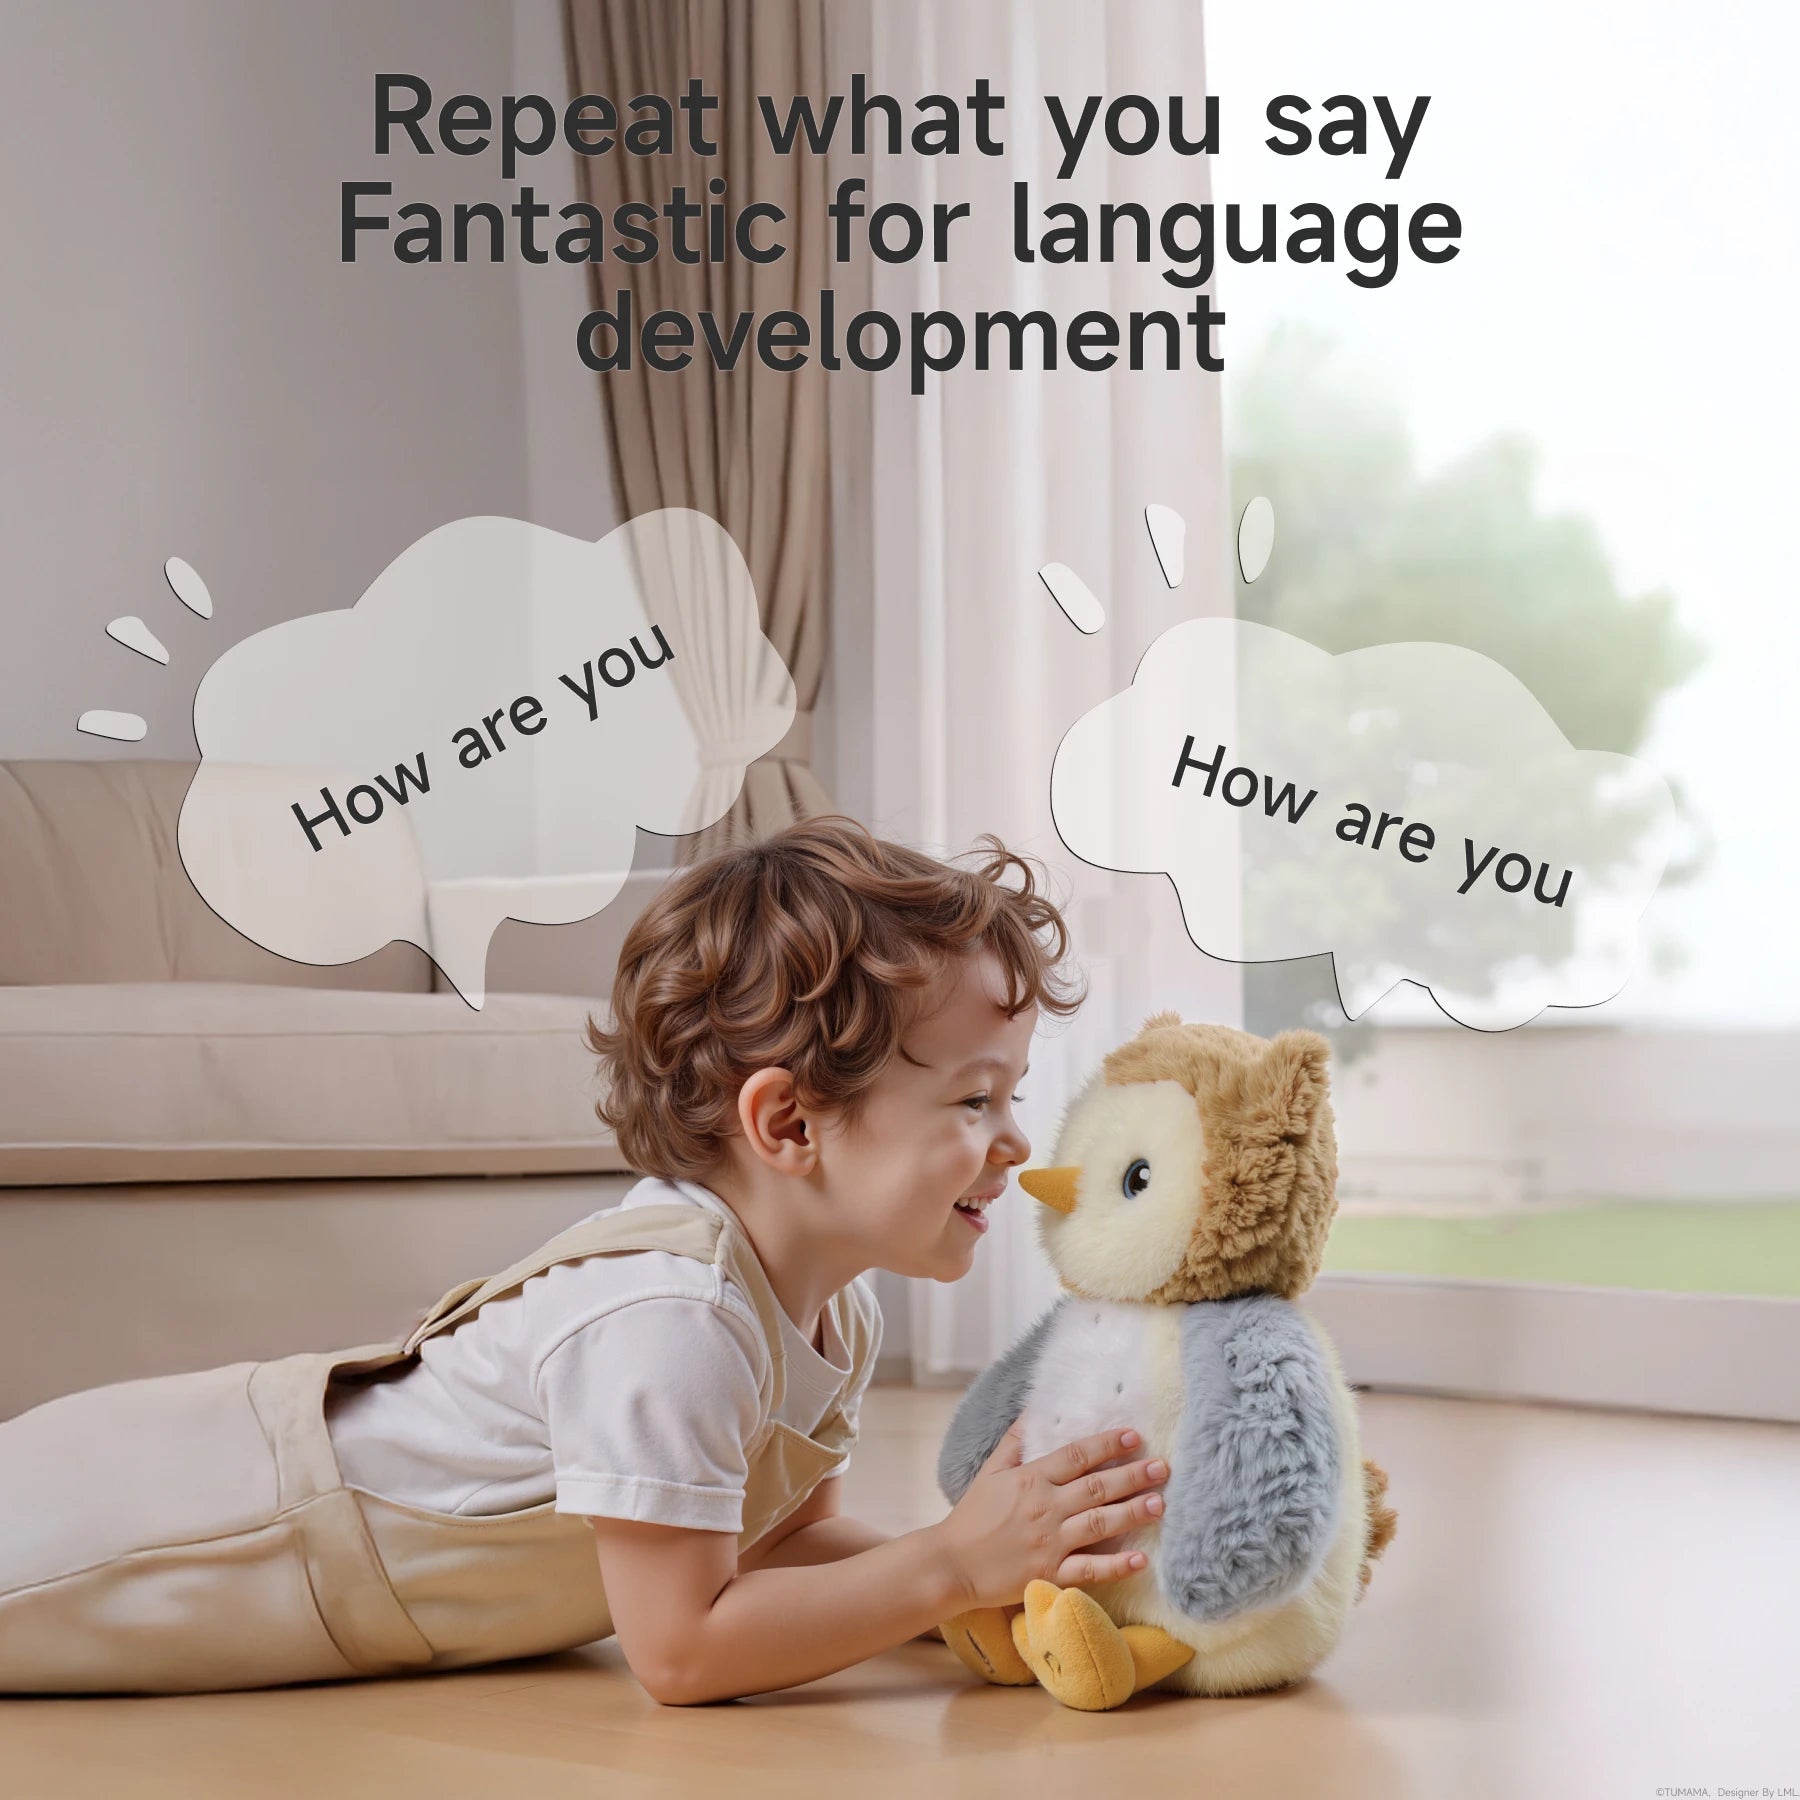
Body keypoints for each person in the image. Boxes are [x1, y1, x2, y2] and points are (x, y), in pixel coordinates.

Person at [0, 815, 1170, 1700]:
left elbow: (782, 1543)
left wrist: (981, 1589)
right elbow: (679, 1646)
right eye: (974, 1099)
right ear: (791, 1126)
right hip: (204, 1525)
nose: (1016, 1141)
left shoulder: (831, 1312)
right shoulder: (673, 1320)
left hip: (284, 1529)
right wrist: (947, 1571)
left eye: (1012, 1094)